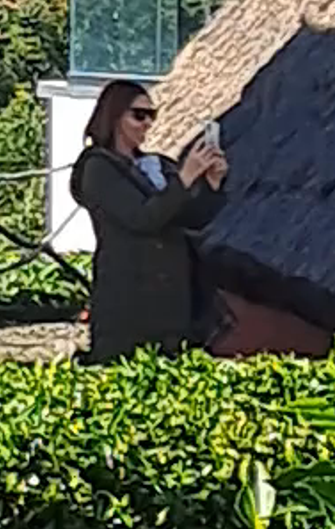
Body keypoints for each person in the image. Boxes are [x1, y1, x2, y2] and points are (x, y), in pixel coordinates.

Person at [72, 77, 226, 359]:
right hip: (128, 302)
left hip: (172, 304)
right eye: (139, 115)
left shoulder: (157, 165)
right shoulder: (98, 168)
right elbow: (142, 218)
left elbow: (191, 218)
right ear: (115, 116)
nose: (147, 124)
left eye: (151, 116)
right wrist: (184, 178)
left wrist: (211, 186)